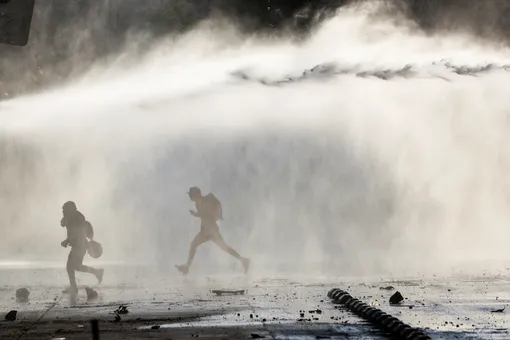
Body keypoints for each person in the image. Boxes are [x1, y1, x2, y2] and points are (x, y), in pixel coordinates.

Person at [176, 187, 250, 275]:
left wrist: (196, 214)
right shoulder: (198, 204)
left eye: (191, 195)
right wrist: (198, 217)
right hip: (206, 230)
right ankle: (243, 260)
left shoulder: (207, 201)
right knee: (221, 247)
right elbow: (203, 216)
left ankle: (187, 267)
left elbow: (207, 213)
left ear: (196, 194)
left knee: (221, 247)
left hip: (211, 230)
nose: (190, 197)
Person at [60, 201, 104, 295]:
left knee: (72, 266)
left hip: (80, 246)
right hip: (77, 246)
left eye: (64, 210)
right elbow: (64, 223)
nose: (63, 212)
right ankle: (96, 273)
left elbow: (76, 233)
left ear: (71, 210)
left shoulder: (77, 218)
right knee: (74, 266)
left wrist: (67, 240)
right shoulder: (70, 217)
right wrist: (64, 221)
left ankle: (95, 273)